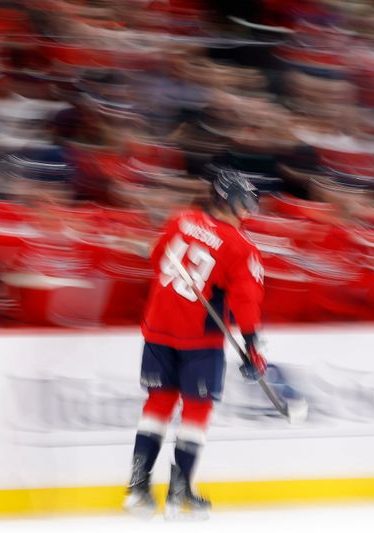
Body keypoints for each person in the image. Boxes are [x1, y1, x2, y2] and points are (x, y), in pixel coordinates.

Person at [124, 169, 267, 520]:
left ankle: (137, 490)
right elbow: (247, 301)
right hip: (198, 339)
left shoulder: (181, 219)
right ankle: (179, 492)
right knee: (196, 411)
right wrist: (253, 349)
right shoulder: (241, 246)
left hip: (158, 328)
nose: (248, 209)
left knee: (158, 404)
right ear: (228, 199)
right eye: (244, 201)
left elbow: (157, 257)